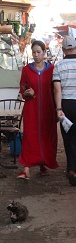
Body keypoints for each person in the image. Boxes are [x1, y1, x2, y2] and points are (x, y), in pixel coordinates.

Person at [17, 40, 59, 179]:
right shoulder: (26, 70)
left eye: (38, 52)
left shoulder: (51, 69)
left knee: (47, 136)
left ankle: (43, 164)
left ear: (44, 53)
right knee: (30, 137)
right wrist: (26, 93)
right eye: (34, 52)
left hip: (48, 109)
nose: (36, 55)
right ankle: (26, 169)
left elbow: (56, 90)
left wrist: (58, 109)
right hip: (31, 109)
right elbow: (22, 87)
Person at [53, 36, 76, 185]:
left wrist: (59, 108)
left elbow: (56, 89)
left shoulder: (58, 66)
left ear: (63, 50)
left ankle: (72, 169)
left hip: (67, 105)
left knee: (69, 138)